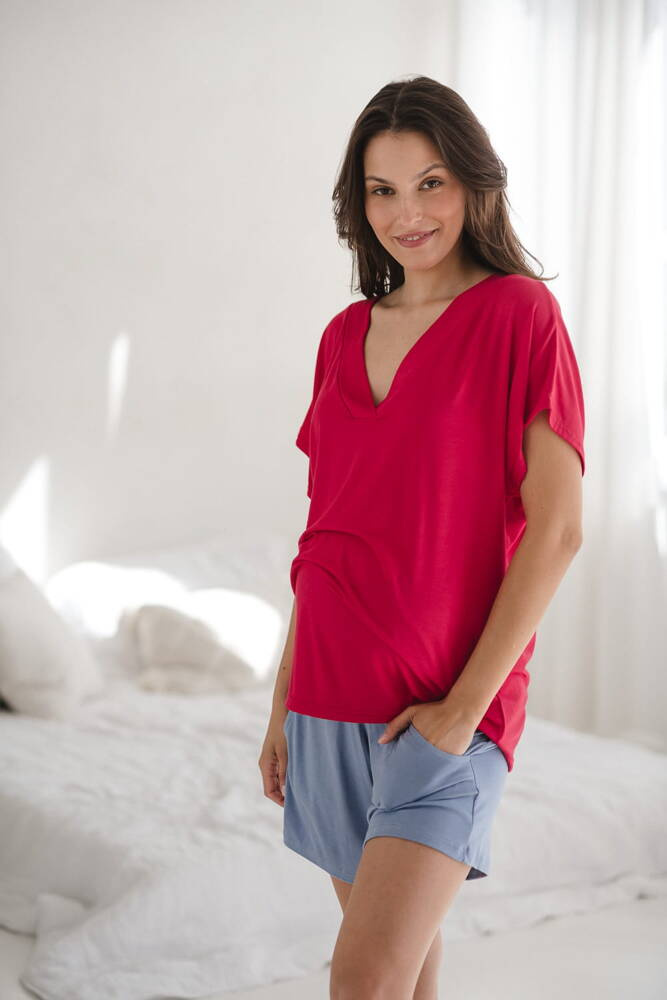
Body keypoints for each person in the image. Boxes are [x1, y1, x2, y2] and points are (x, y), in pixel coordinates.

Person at [258, 75, 586, 1000]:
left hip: (446, 708)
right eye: (382, 190)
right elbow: (324, 536)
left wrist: (462, 712)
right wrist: (282, 701)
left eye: (430, 183)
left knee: (361, 981)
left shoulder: (519, 315)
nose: (407, 214)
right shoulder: (341, 336)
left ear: (473, 183)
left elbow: (558, 530)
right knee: (401, 981)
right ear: (357, 204)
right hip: (327, 697)